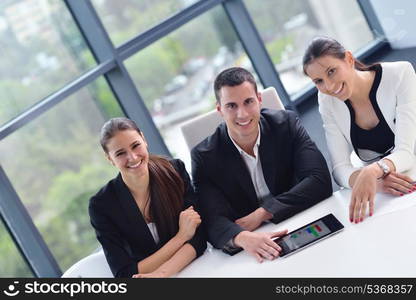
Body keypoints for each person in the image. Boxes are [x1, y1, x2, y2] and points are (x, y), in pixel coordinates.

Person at [191, 67, 332, 262]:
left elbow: (320, 181)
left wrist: (263, 213)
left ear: (259, 99)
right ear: (220, 110)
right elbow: (212, 221)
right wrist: (242, 237)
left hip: (298, 224)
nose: (242, 114)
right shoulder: (204, 157)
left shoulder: (286, 124)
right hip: (251, 248)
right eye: (231, 106)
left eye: (248, 102)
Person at [302, 36, 416, 224]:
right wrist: (376, 183)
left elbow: (405, 152)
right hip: (397, 185)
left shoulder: (400, 74)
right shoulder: (326, 101)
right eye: (318, 81)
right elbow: (339, 169)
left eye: (331, 71)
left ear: (348, 59)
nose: (328, 86)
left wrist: (371, 172)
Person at [89, 117, 206, 278]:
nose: (133, 157)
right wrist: (181, 237)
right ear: (110, 159)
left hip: (195, 268)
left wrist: (162, 273)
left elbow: (199, 237)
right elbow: (124, 272)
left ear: (144, 140)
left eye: (135, 145)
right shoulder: (101, 206)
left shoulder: (174, 171)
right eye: (120, 153)